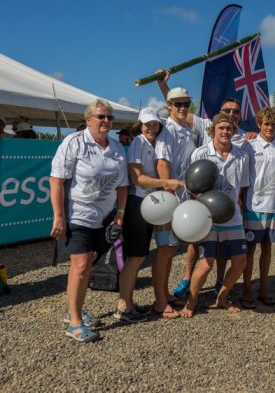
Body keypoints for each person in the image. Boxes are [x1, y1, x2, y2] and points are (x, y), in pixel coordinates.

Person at [50, 99, 128, 342]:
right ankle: (74, 323)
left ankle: (75, 309)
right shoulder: (74, 143)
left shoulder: (116, 147)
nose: (106, 121)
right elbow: (56, 180)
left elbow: (123, 186)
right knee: (81, 265)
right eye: (101, 117)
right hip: (78, 215)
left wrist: (120, 212)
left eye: (109, 117)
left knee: (87, 265)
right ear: (88, 120)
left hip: (104, 217)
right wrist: (59, 216)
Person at [114, 108, 184, 322]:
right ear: (140, 125)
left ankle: (145, 300)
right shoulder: (138, 142)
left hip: (155, 202)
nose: (151, 128)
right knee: (137, 256)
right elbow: (138, 179)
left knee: (154, 252)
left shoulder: (157, 143)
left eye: (155, 124)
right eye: (147, 124)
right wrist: (165, 182)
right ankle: (124, 305)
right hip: (140, 201)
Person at [180, 113, 250, 316]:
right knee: (206, 264)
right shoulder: (200, 153)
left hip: (232, 216)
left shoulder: (242, 155)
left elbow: (242, 187)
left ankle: (222, 297)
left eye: (229, 128)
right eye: (221, 128)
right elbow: (191, 185)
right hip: (206, 216)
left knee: (240, 262)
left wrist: (237, 206)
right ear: (213, 130)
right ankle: (191, 302)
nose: (226, 132)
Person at [152, 86, 206, 318]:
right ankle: (160, 301)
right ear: (169, 106)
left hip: (183, 196)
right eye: (178, 104)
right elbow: (162, 162)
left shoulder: (186, 129)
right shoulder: (168, 129)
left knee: (171, 248)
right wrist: (170, 196)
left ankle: (164, 294)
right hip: (169, 198)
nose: (182, 108)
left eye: (186, 104)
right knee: (165, 249)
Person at [239, 107, 275, 309]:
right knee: (250, 250)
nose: (270, 127)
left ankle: (264, 289)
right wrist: (241, 200)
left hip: (274, 206)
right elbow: (243, 176)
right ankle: (247, 290)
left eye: (273, 124)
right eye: (266, 123)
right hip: (253, 205)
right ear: (259, 124)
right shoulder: (249, 146)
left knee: (267, 249)